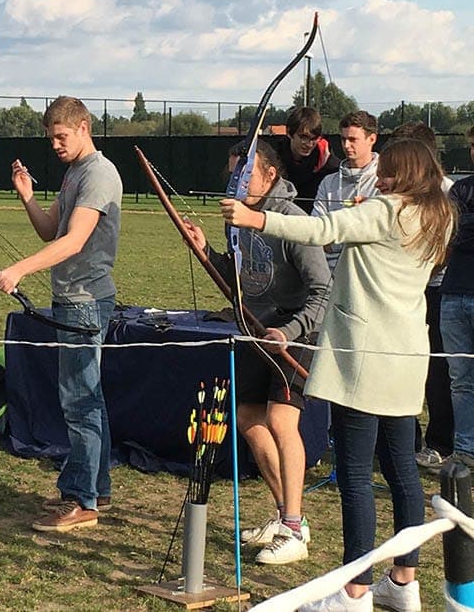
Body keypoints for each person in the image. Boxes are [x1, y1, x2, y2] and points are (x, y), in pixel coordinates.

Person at [221, 138, 454, 612]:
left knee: (355, 476)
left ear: (404, 175)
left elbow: (320, 229)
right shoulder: (437, 215)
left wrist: (255, 218)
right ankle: (403, 581)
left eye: (387, 172)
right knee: (401, 470)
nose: (380, 178)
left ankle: (355, 591)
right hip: (407, 358)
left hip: (364, 362)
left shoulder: (386, 211)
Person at [184, 140, 329, 564]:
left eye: (244, 173)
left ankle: (294, 527)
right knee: (248, 418)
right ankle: (288, 516)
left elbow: (323, 288)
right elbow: (240, 281)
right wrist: (206, 251)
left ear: (269, 175)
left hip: (293, 332)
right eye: (232, 175)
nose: (236, 182)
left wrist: (290, 331)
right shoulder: (240, 222)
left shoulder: (292, 220)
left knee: (283, 419)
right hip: (255, 327)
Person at [0, 96, 121, 533]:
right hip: (71, 298)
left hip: (85, 301)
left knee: (80, 401)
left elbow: (74, 241)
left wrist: (18, 270)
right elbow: (52, 229)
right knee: (86, 399)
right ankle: (94, 488)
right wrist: (28, 197)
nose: (55, 145)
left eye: (61, 137)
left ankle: (83, 500)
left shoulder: (99, 174)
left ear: (83, 127)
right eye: (51, 139)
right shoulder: (74, 174)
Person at [389, 122, 454, 471]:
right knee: (399, 361)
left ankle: (440, 442)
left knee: (438, 369)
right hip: (403, 289)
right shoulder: (395, 193)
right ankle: (406, 439)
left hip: (439, 289)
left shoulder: (446, 190)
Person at [439, 125, 474, 473]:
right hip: (453, 293)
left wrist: (463, 229)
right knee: (460, 377)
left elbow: (458, 231)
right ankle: (464, 450)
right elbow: (446, 232)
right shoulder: (460, 189)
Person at [312, 111, 380, 272]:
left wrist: (334, 237)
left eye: (353, 140)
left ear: (372, 139)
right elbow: (317, 234)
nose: (346, 145)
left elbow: (377, 238)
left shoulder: (384, 181)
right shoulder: (329, 183)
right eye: (343, 139)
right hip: (330, 275)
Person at [275, 106, 340, 205]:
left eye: (314, 138)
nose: (309, 144)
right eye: (303, 137)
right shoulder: (274, 159)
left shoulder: (331, 166)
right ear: (289, 133)